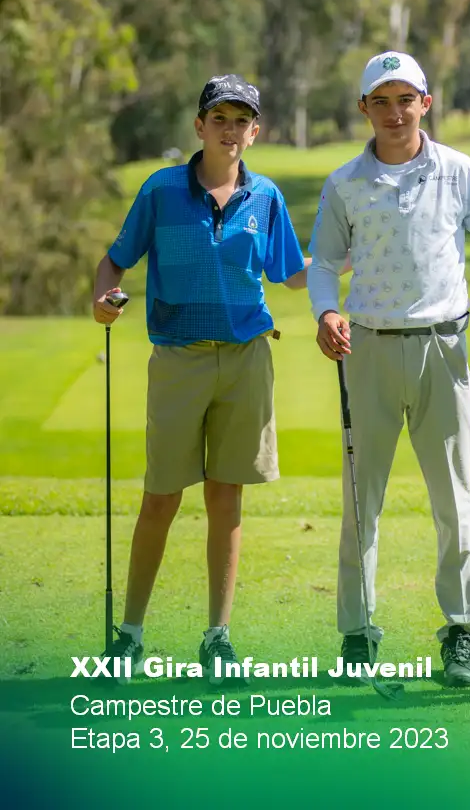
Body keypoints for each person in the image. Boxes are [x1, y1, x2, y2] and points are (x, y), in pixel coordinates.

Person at [93, 75, 310, 683]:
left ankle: (218, 637)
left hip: (246, 359)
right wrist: (103, 298)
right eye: (220, 118)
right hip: (179, 359)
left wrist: (344, 265)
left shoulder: (265, 197)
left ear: (255, 131)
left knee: (225, 496)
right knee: (161, 496)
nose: (230, 130)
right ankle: (130, 634)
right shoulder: (161, 190)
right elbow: (116, 259)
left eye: (242, 121)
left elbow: (290, 272)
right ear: (199, 126)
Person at [308, 51, 470, 687]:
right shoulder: (344, 183)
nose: (395, 113)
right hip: (366, 349)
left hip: (443, 349)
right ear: (363, 109)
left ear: (426, 102)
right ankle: (357, 633)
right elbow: (323, 264)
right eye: (381, 102)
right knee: (361, 501)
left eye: (405, 100)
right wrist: (326, 311)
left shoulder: (457, 170)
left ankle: (462, 630)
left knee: (454, 501)